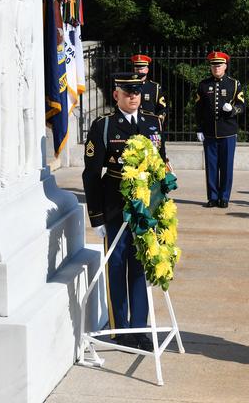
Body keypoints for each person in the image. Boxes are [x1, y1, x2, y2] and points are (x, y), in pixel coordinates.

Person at [82, 72, 166, 352]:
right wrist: (95, 217)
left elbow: (161, 164)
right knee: (117, 266)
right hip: (115, 206)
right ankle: (121, 329)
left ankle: (140, 328)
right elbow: (92, 174)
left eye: (137, 92)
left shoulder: (153, 123)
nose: (133, 97)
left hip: (146, 208)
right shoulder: (104, 126)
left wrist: (161, 205)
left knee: (141, 264)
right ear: (116, 94)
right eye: (127, 92)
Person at [195, 51, 244, 208]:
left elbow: (242, 106)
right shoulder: (203, 85)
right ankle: (213, 197)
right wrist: (199, 128)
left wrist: (233, 110)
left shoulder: (234, 84)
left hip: (228, 132)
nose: (216, 67)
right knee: (211, 166)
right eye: (213, 65)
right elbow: (198, 109)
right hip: (209, 132)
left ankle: (224, 197)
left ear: (225, 66)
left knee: (226, 166)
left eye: (219, 65)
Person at [131, 54, 167, 127]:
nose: (139, 71)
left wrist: (159, 120)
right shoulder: (128, 86)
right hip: (131, 123)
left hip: (149, 124)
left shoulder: (154, 87)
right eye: (137, 69)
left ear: (147, 70)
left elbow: (162, 107)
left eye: (141, 69)